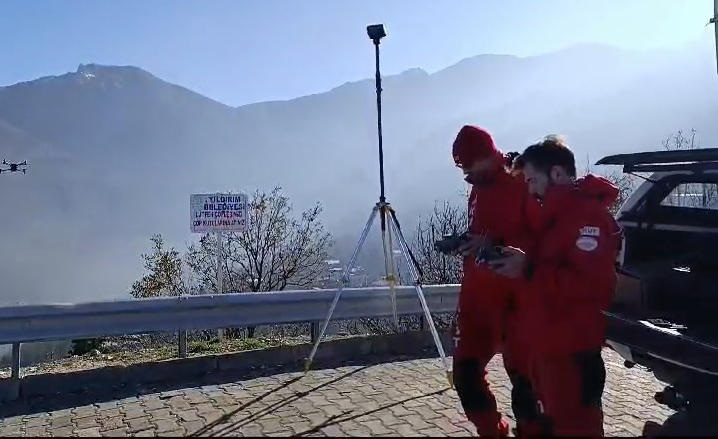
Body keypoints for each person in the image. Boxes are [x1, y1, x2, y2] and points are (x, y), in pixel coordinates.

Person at [490, 135, 621, 437]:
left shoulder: (587, 218)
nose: (530, 189)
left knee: (576, 428)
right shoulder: (554, 217)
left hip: (573, 352)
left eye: (532, 180)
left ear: (557, 174)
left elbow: (591, 286)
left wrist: (528, 268)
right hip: (550, 349)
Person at [450, 125, 542, 437]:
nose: (466, 173)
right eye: (462, 168)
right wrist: (467, 243)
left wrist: (493, 243)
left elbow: (542, 240)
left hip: (517, 301)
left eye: (469, 165)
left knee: (526, 384)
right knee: (465, 375)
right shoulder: (479, 185)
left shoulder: (521, 181)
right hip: (477, 299)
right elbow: (483, 230)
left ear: (487, 155)